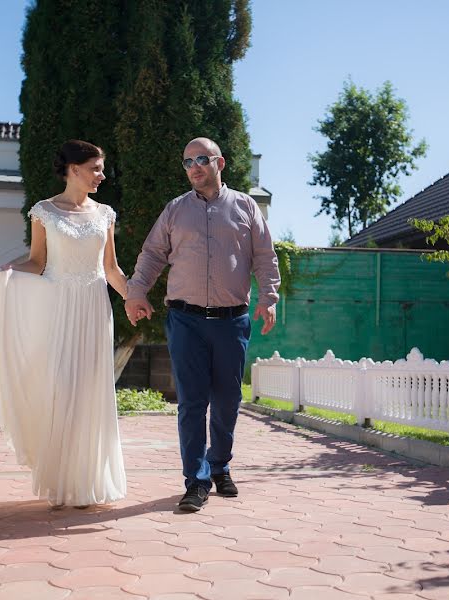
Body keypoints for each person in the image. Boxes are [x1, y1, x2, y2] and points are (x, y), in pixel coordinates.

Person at [125, 137, 281, 512]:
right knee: (192, 402)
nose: (194, 167)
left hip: (231, 322)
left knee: (228, 400)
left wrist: (268, 298)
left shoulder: (245, 206)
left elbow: (264, 256)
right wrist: (136, 292)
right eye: (187, 162)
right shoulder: (175, 210)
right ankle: (195, 481)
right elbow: (151, 254)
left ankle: (220, 465)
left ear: (219, 163)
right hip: (186, 320)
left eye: (201, 159)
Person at [0, 139, 127, 508]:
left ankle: (88, 483)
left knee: (91, 391)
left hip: (94, 307)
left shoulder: (105, 214)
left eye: (101, 168)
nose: (101, 175)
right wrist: (8, 271)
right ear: (73, 170)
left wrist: (133, 297)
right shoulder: (44, 211)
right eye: (95, 168)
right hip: (58, 306)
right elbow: (38, 262)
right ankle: (63, 483)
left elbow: (110, 268)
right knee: (61, 388)